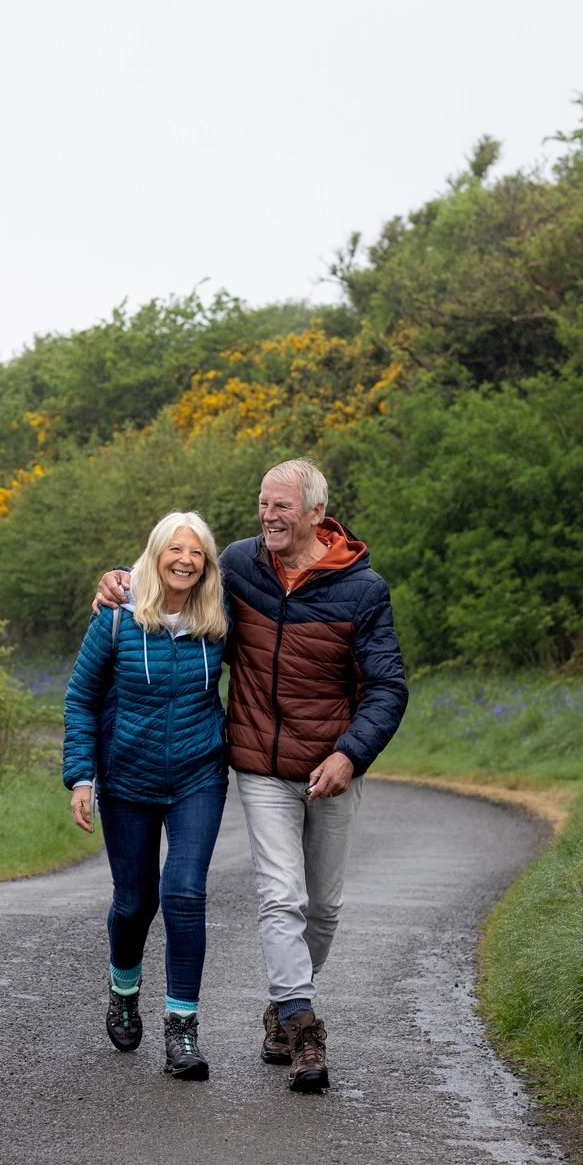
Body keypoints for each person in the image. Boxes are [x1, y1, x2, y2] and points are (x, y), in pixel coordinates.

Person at [96, 458, 405, 1093]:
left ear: (317, 514)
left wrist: (350, 754)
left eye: (282, 507)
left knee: (323, 907)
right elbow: (176, 566)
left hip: (332, 768)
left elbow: (388, 687)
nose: (268, 516)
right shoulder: (240, 565)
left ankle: (280, 1006)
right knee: (279, 896)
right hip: (260, 766)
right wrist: (121, 579)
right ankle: (300, 1022)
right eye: (263, 504)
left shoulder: (363, 590)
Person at [63, 510, 232, 1080]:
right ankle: (124, 988)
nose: (186, 560)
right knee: (135, 902)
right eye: (175, 550)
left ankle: (182, 1030)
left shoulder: (219, 618)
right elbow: (81, 700)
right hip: (128, 780)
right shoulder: (117, 617)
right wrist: (81, 778)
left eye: (197, 553)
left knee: (184, 894)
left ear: (207, 563)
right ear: (156, 553)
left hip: (198, 777)